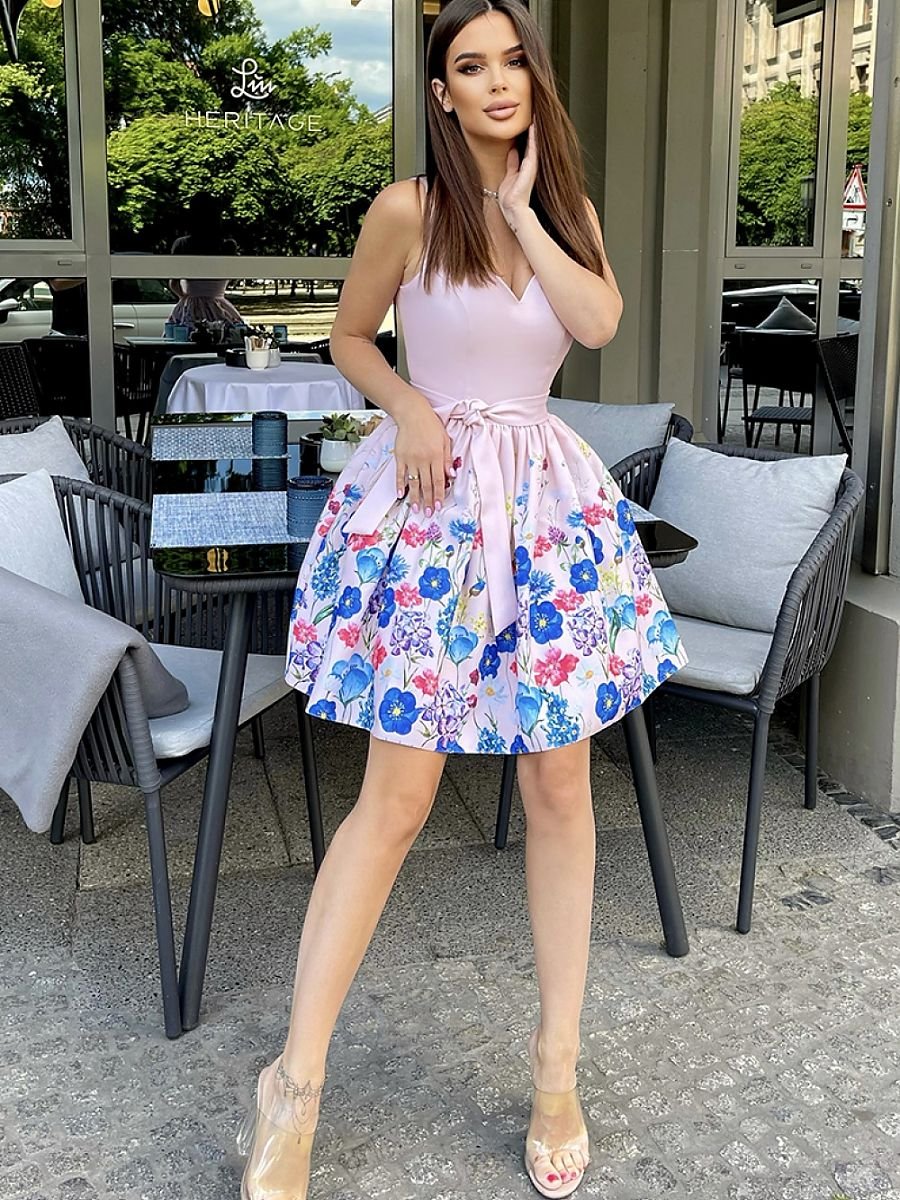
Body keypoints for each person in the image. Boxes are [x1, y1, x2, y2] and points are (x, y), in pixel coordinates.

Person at [240, 2, 688, 1197]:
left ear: (536, 77)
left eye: (513, 62)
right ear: (441, 92)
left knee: (559, 786)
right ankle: (294, 1081)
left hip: (545, 512)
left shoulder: (567, 213)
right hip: (433, 508)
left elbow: (597, 323)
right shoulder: (407, 207)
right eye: (470, 67)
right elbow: (349, 337)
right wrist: (410, 407)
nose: (497, 83)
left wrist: (523, 211)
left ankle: (556, 1070)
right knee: (396, 799)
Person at [166, 194, 244, 331]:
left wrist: (185, 297)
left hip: (189, 307)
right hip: (219, 305)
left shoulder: (182, 244)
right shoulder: (227, 246)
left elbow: (173, 283)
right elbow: (233, 276)